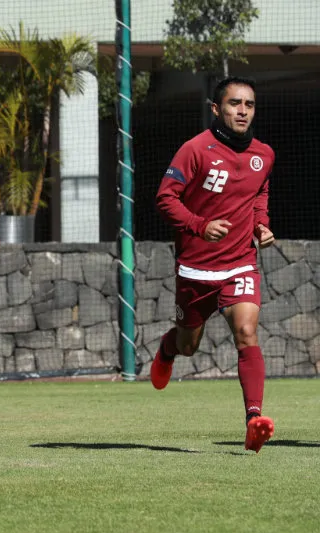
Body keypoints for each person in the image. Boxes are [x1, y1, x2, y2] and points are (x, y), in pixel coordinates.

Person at [153, 76, 275, 453]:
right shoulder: (195, 149)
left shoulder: (264, 154)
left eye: (249, 105)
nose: (242, 111)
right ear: (216, 109)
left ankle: (254, 419)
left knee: (247, 333)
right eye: (234, 103)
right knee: (190, 345)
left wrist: (261, 224)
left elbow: (258, 193)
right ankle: (168, 349)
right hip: (195, 268)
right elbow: (165, 198)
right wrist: (199, 226)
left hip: (240, 263)